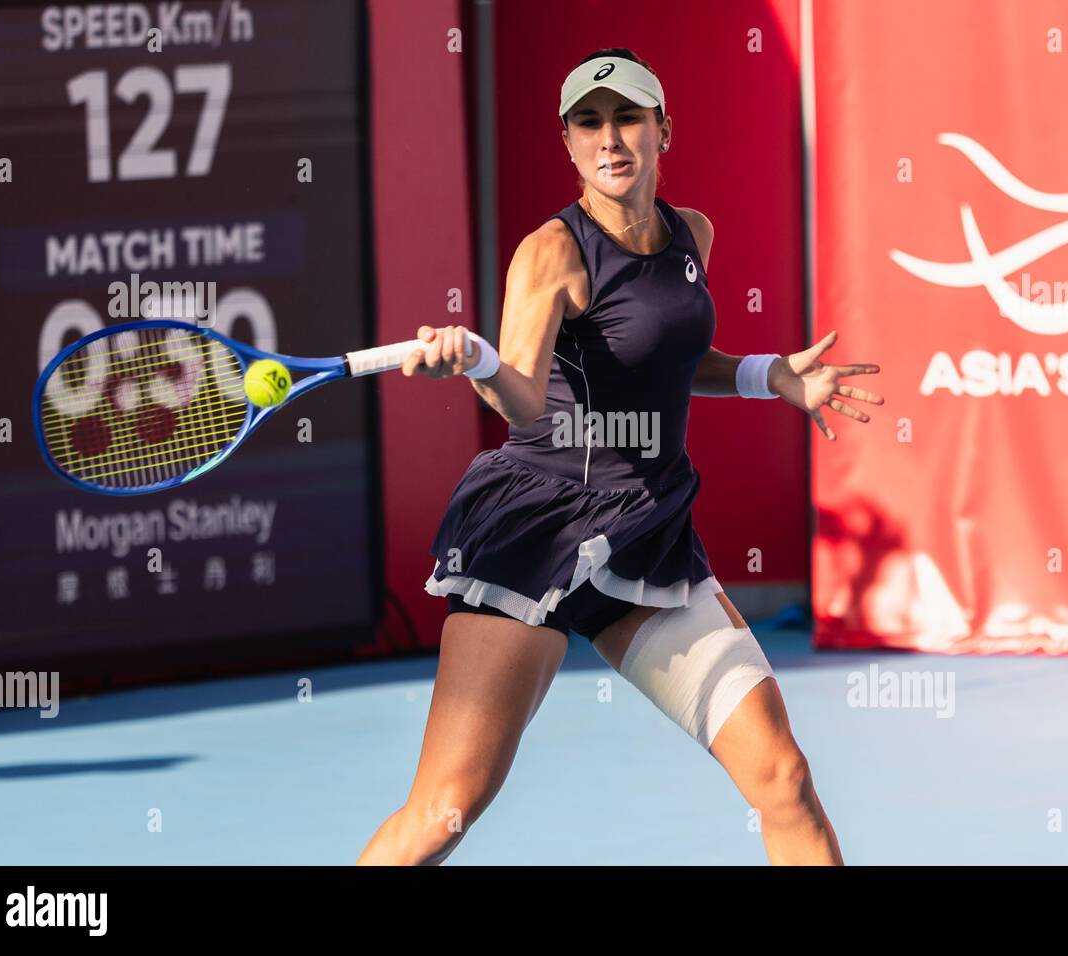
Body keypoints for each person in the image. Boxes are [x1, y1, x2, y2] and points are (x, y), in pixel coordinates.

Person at [356, 47, 883, 866]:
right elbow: (523, 398)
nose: (610, 138)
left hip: (646, 535)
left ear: (662, 129)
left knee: (783, 779)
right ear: (567, 142)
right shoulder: (550, 253)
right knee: (446, 809)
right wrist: (477, 361)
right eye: (589, 123)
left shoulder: (691, 235)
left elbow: (666, 358)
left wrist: (767, 373)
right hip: (535, 531)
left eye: (627, 117)